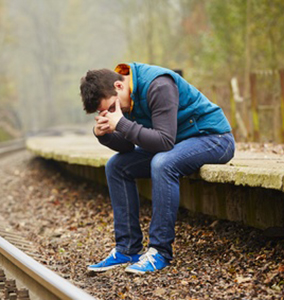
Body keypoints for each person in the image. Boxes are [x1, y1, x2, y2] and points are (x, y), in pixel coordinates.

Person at [80, 62, 235, 274]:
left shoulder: (158, 85)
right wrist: (104, 135)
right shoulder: (126, 96)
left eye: (111, 108)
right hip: (179, 144)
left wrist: (122, 123)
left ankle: (160, 251)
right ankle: (127, 249)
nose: (111, 113)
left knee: (162, 163)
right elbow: (126, 146)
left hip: (212, 138)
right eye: (104, 112)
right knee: (116, 166)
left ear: (118, 85)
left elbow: (164, 142)